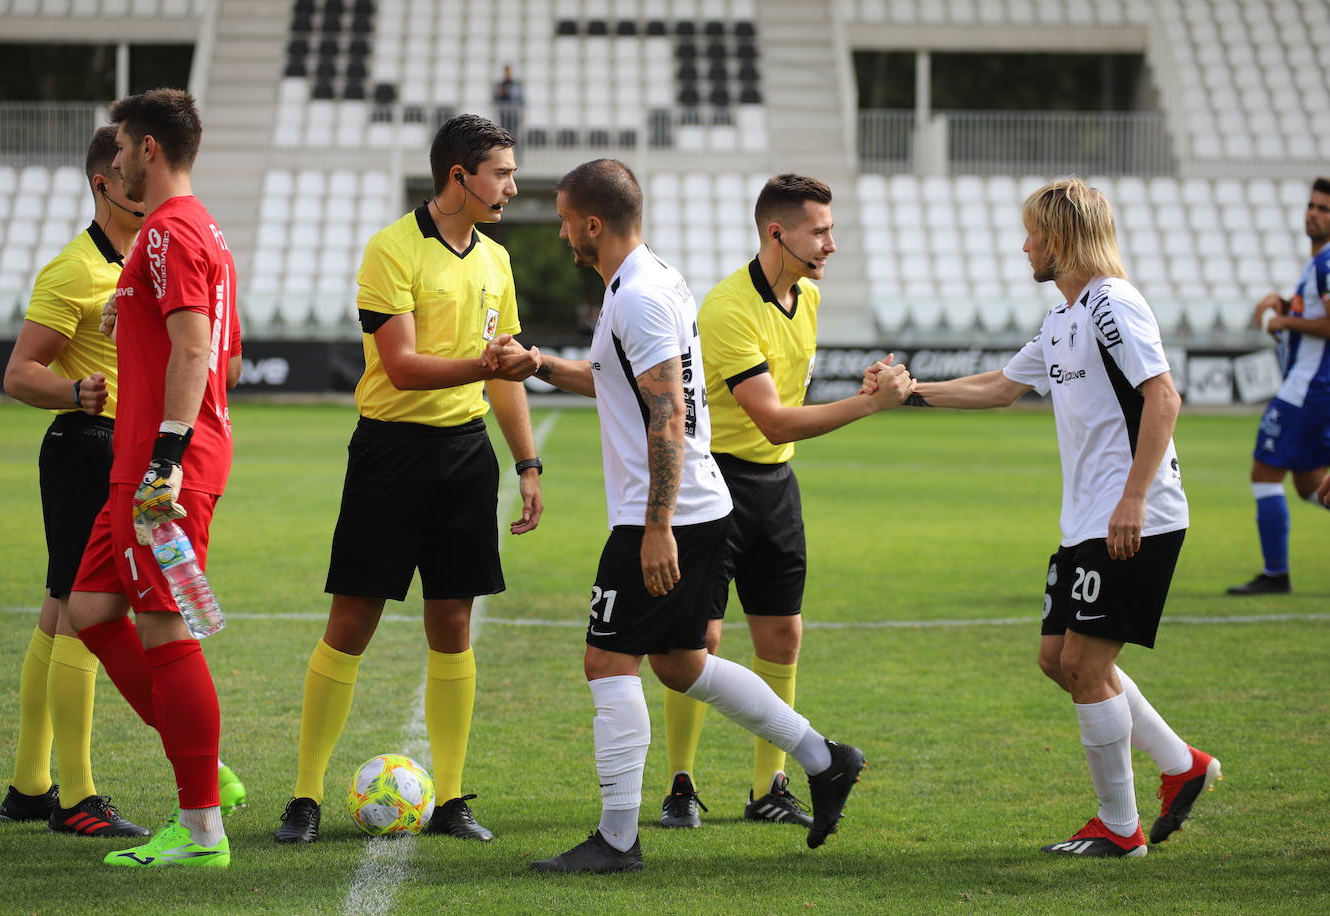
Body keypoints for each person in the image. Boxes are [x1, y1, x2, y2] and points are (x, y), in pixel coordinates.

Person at [521, 159, 868, 874]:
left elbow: (668, 413)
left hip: (668, 513)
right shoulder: (652, 280)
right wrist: (537, 365)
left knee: (606, 659)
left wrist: (655, 526)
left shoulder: (640, 296)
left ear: (592, 223)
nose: (561, 234)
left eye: (563, 221)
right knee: (680, 665)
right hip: (700, 504)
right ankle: (824, 759)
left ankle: (617, 840)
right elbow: (625, 382)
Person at [905, 178, 1220, 858]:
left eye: (1032, 235)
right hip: (1086, 522)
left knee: (1084, 661)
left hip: (1135, 517)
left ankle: (1119, 827)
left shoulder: (1113, 305)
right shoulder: (1061, 319)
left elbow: (1163, 398)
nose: (1025, 247)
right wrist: (909, 393)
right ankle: (1181, 766)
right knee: (1058, 659)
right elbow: (999, 387)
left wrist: (1132, 498)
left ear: (1061, 238)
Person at [275, 114, 543, 845]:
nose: (512, 188)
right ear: (459, 176)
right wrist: (487, 365)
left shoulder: (497, 260)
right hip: (389, 453)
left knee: (453, 624)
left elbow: (508, 372)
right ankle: (304, 796)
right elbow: (400, 365)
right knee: (352, 621)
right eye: (501, 174)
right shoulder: (391, 249)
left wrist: (527, 463)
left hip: (465, 456)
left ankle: (451, 798)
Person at [659, 174, 911, 829]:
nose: (831, 243)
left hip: (776, 486)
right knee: (699, 639)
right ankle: (680, 784)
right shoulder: (726, 309)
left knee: (782, 634)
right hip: (715, 485)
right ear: (778, 232)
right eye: (820, 231)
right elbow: (772, 417)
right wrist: (870, 404)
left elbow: (785, 416)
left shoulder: (810, 299)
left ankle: (767, 787)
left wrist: (862, 388)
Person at [67, 88, 243, 868]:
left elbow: (198, 350)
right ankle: (203, 766)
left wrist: (166, 462)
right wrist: (124, 309)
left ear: (146, 148)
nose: (117, 159)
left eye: (124, 145)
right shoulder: (188, 231)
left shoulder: (172, 231)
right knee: (92, 608)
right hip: (139, 459)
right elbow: (198, 328)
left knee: (164, 624)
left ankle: (202, 827)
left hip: (161, 465)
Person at [0, 126, 149, 839]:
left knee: (61, 607)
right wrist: (76, 390)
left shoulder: (141, 258)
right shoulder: (72, 270)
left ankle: (32, 786)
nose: (146, 186)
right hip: (85, 447)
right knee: (85, 612)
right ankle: (77, 798)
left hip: (114, 451)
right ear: (104, 184)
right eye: (132, 174)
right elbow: (19, 372)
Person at [1226, 177, 1330, 595]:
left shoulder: (1326, 264)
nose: (1314, 213)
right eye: (1312, 205)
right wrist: (1284, 304)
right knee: (1310, 484)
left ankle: (1275, 575)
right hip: (1313, 389)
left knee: (1264, 473)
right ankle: (1275, 573)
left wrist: (1284, 320)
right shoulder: (1317, 261)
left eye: (1324, 209)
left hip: (1307, 390)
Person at [492, 64, 522, 139]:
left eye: (509, 72)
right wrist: (499, 94)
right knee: (504, 133)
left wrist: (522, 113)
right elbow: (495, 99)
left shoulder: (516, 84)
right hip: (504, 114)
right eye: (506, 72)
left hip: (514, 114)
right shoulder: (500, 85)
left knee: (515, 133)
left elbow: (521, 99)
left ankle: (516, 149)